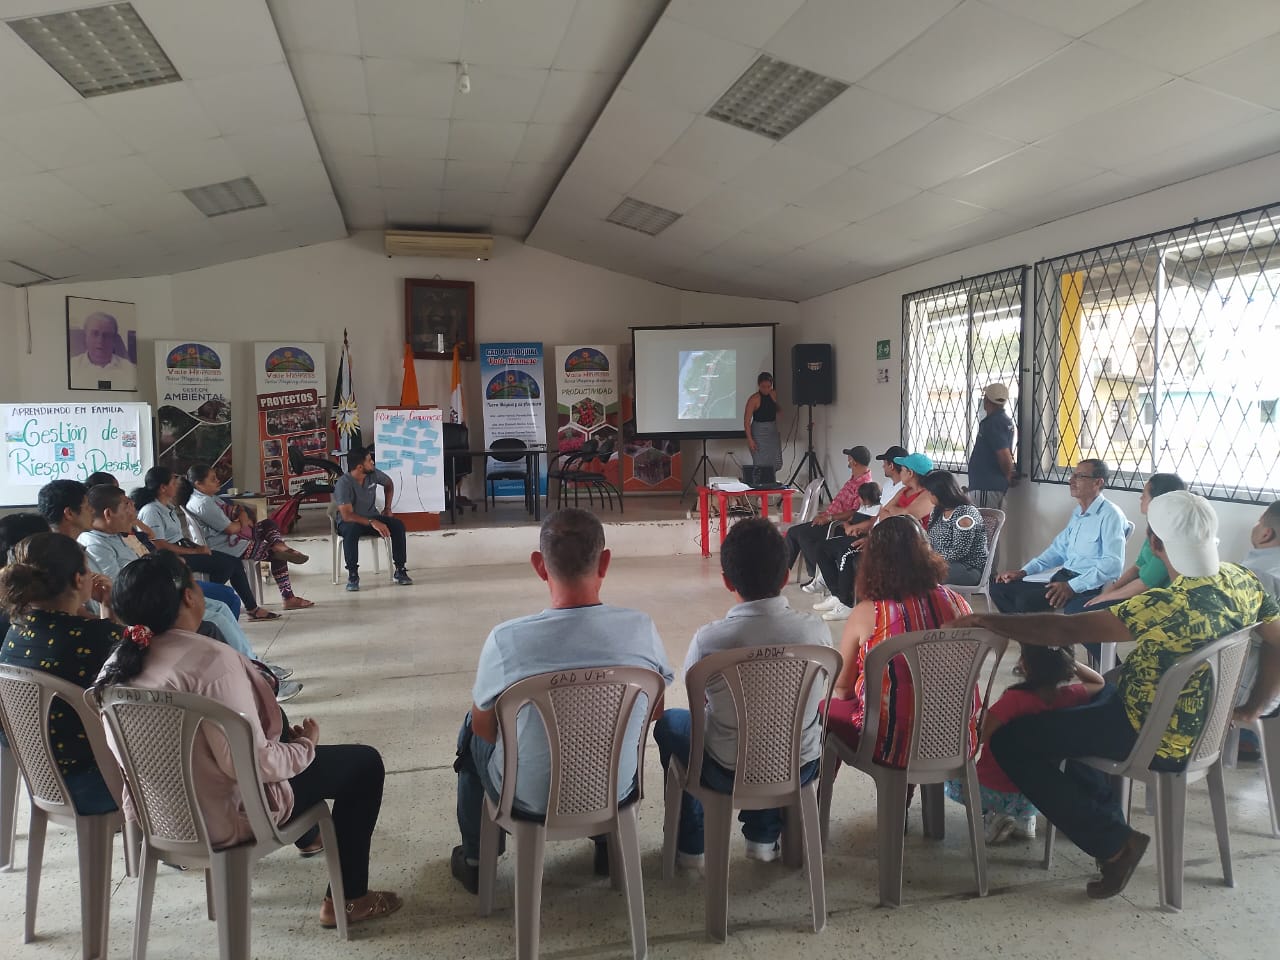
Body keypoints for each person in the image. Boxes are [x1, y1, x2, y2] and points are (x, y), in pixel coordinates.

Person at [954, 491, 1280, 899]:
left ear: (1155, 543)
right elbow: (1277, 642)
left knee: (1012, 740)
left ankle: (1113, 843)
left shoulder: (1164, 604)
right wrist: (1254, 707)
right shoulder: (1244, 582)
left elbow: (1064, 630)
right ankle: (1094, 820)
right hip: (1202, 728)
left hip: (1150, 732)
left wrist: (988, 620)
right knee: (1086, 704)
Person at [94, 553, 402, 928]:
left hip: (160, 818)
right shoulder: (210, 663)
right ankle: (349, 900)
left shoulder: (115, 666)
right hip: (227, 818)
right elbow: (252, 763)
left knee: (299, 757)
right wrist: (304, 746)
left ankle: (311, 838)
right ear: (189, 596)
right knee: (363, 765)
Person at [451, 509, 673, 894]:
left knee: (471, 729)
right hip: (616, 791)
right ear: (605, 561)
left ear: (539, 565)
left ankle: (476, 860)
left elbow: (486, 731)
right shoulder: (641, 629)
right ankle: (607, 845)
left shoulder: (506, 640)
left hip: (527, 798)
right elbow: (655, 711)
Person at [654, 519, 832, 866]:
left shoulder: (710, 639)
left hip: (725, 769)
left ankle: (691, 846)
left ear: (726, 581)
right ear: (785, 576)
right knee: (775, 726)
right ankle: (763, 837)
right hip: (801, 765)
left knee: (671, 724)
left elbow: (698, 698)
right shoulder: (815, 631)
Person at [77, 484, 301, 702]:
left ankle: (254, 664)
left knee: (221, 607)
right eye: (126, 505)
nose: (132, 509)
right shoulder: (96, 545)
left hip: (160, 593)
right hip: (150, 608)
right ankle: (258, 679)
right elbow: (122, 590)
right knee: (214, 619)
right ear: (108, 513)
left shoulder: (119, 535)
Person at [823, 515, 975, 769]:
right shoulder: (959, 603)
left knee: (826, 710)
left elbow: (843, 688)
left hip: (891, 746)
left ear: (874, 561)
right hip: (955, 738)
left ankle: (823, 794)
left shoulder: (869, 613)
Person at [0, 533, 119, 813]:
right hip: (97, 783)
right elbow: (122, 654)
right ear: (79, 579)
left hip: (40, 777)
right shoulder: (96, 636)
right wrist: (109, 607)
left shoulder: (16, 630)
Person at [944, 645, 1104, 843]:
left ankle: (996, 816)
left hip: (993, 789)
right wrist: (1066, 659)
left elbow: (979, 738)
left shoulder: (1013, 700)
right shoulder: (1070, 696)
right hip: (1038, 794)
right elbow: (1099, 682)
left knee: (952, 779)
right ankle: (1026, 819)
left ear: (1024, 665)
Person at [134, 466, 280, 621]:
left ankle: (250, 608)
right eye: (173, 482)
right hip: (169, 557)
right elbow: (160, 546)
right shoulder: (151, 511)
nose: (176, 485)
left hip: (182, 549)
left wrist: (198, 547)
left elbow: (178, 537)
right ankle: (206, 601)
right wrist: (195, 551)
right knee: (227, 565)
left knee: (234, 563)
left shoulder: (167, 507)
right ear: (163, 488)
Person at [989, 459, 1128, 615]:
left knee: (1024, 600)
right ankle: (1024, 630)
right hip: (1062, 578)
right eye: (1072, 475)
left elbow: (1112, 565)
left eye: (1080, 476)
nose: (1071, 480)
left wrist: (1072, 586)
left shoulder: (1111, 515)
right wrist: (1024, 572)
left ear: (1098, 482)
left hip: (1086, 585)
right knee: (999, 588)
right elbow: (1057, 551)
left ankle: (1028, 629)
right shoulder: (1078, 513)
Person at [815, 452, 936, 622]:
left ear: (910, 473)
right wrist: (894, 515)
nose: (900, 471)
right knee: (823, 548)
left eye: (903, 469)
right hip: (884, 537)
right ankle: (838, 595)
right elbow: (884, 513)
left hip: (904, 546)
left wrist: (894, 514)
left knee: (848, 554)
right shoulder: (904, 490)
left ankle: (847, 603)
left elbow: (907, 518)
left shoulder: (927, 495)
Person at [185, 464, 313, 610]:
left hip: (234, 537)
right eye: (213, 479)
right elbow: (230, 529)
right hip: (226, 546)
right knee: (278, 555)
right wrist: (242, 519)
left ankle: (279, 544)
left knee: (268, 524)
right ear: (199, 484)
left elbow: (234, 512)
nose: (218, 481)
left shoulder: (209, 498)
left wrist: (241, 515)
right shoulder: (203, 503)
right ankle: (288, 598)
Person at [785, 445, 872, 584]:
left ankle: (820, 577)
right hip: (828, 518)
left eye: (850, 458)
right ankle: (783, 573)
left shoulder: (864, 485)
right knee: (793, 532)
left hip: (836, 524)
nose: (848, 460)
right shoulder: (854, 479)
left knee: (804, 535)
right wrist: (825, 514)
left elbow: (854, 512)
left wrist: (829, 518)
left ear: (854, 462)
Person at [334, 447, 412, 592]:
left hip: (371, 517)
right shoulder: (343, 484)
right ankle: (353, 574)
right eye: (369, 460)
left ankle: (400, 569)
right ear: (360, 467)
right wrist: (372, 522)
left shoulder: (373, 474)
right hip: (350, 521)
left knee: (397, 525)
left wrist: (387, 508)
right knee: (351, 530)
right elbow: (347, 515)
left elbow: (389, 484)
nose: (373, 462)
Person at [919, 470, 989, 587]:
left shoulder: (964, 514)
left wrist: (931, 559)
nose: (927, 495)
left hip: (969, 568)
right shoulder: (938, 510)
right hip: (943, 564)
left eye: (929, 492)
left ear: (939, 493)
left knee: (922, 574)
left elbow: (958, 552)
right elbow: (930, 539)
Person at [967, 383, 1016, 510]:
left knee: (983, 521)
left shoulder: (993, 423)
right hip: (989, 486)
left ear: (987, 400)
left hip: (986, 486)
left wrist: (1008, 475)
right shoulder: (1003, 420)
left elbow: (1004, 454)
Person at [69, 310, 136, 391]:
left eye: (107, 335)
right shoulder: (71, 368)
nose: (100, 340)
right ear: (85, 337)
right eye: (95, 333)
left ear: (114, 340)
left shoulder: (131, 370)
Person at [744, 372, 782, 472]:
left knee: (776, 463)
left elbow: (776, 408)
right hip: (759, 433)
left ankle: (772, 481)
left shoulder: (773, 394)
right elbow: (746, 421)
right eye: (763, 387)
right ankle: (760, 481)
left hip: (772, 431)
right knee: (760, 464)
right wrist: (750, 440)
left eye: (769, 387)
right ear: (759, 385)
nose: (766, 389)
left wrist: (779, 411)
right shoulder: (753, 399)